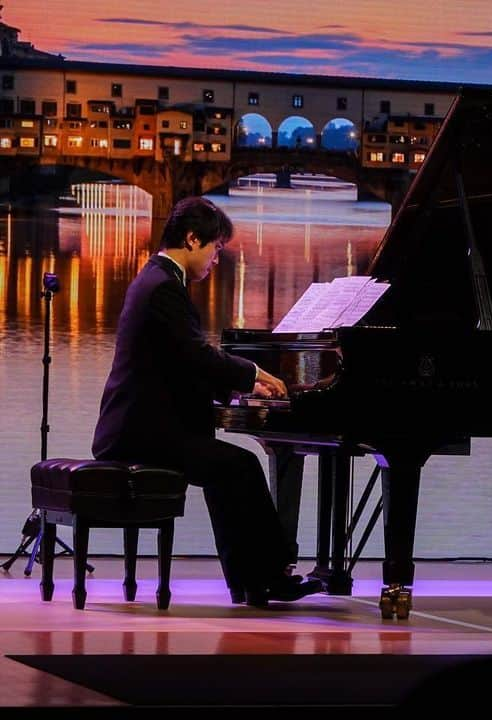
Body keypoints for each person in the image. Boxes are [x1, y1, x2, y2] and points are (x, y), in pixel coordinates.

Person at [92, 196, 322, 607]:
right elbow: (196, 354)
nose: (218, 258)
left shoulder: (157, 279)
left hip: (143, 426)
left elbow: (181, 364)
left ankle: (251, 582)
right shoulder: (164, 287)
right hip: (141, 433)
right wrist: (252, 376)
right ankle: (268, 577)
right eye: (216, 247)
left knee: (227, 469)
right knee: (240, 467)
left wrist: (235, 390)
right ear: (193, 239)